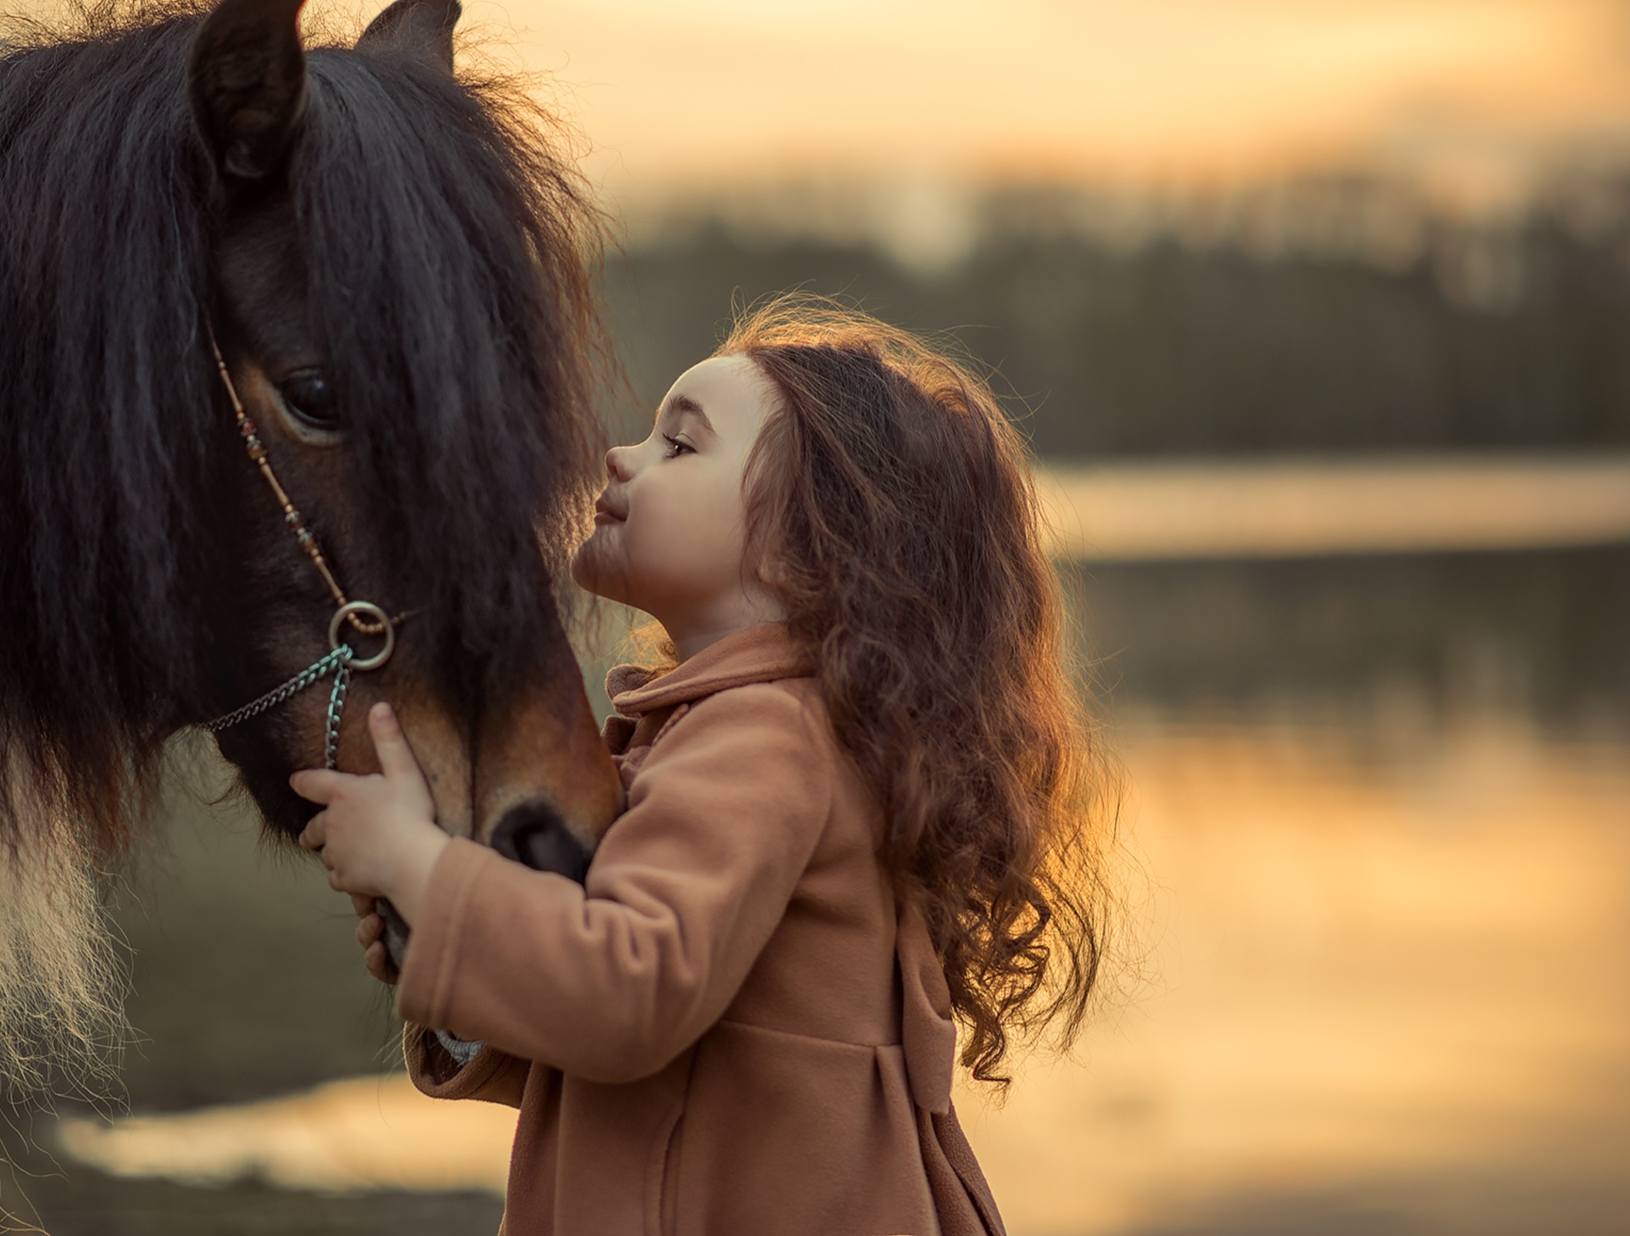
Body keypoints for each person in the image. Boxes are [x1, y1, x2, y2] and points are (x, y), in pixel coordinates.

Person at [295, 295, 1110, 1236]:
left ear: (810, 540)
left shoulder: (761, 736)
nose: (620, 456)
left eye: (679, 446)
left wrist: (415, 868)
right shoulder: (743, 727)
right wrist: (456, 955)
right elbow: (651, 1059)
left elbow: (628, 992)